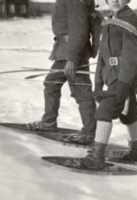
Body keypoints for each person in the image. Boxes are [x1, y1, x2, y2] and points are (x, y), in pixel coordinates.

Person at [77, 0, 137, 169]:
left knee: (103, 112)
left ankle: (96, 158)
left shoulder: (130, 20)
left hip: (124, 77)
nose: (115, 1)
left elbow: (132, 57)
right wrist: (97, 85)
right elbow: (102, 57)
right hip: (113, 77)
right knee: (129, 112)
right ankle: (136, 152)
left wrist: (124, 84)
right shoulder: (110, 21)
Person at [27, 0, 103, 143]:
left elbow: (79, 29)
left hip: (73, 53)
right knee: (51, 83)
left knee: (81, 92)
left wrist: (73, 59)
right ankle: (49, 122)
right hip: (64, 51)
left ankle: (89, 132)